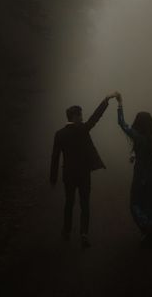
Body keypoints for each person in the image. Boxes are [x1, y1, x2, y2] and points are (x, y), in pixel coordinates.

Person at [50, 93, 117, 248]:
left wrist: (53, 178)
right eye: (80, 115)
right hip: (83, 174)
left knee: (69, 202)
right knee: (85, 203)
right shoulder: (83, 129)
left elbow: (54, 157)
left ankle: (66, 231)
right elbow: (95, 117)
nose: (82, 118)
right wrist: (105, 101)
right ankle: (84, 234)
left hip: (68, 174)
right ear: (74, 116)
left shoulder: (59, 134)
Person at [115, 91, 152, 247]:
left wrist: (120, 103)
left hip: (141, 175)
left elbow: (122, 123)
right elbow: (151, 154)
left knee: (135, 204)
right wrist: (136, 155)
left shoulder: (138, 137)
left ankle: (148, 228)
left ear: (138, 123)